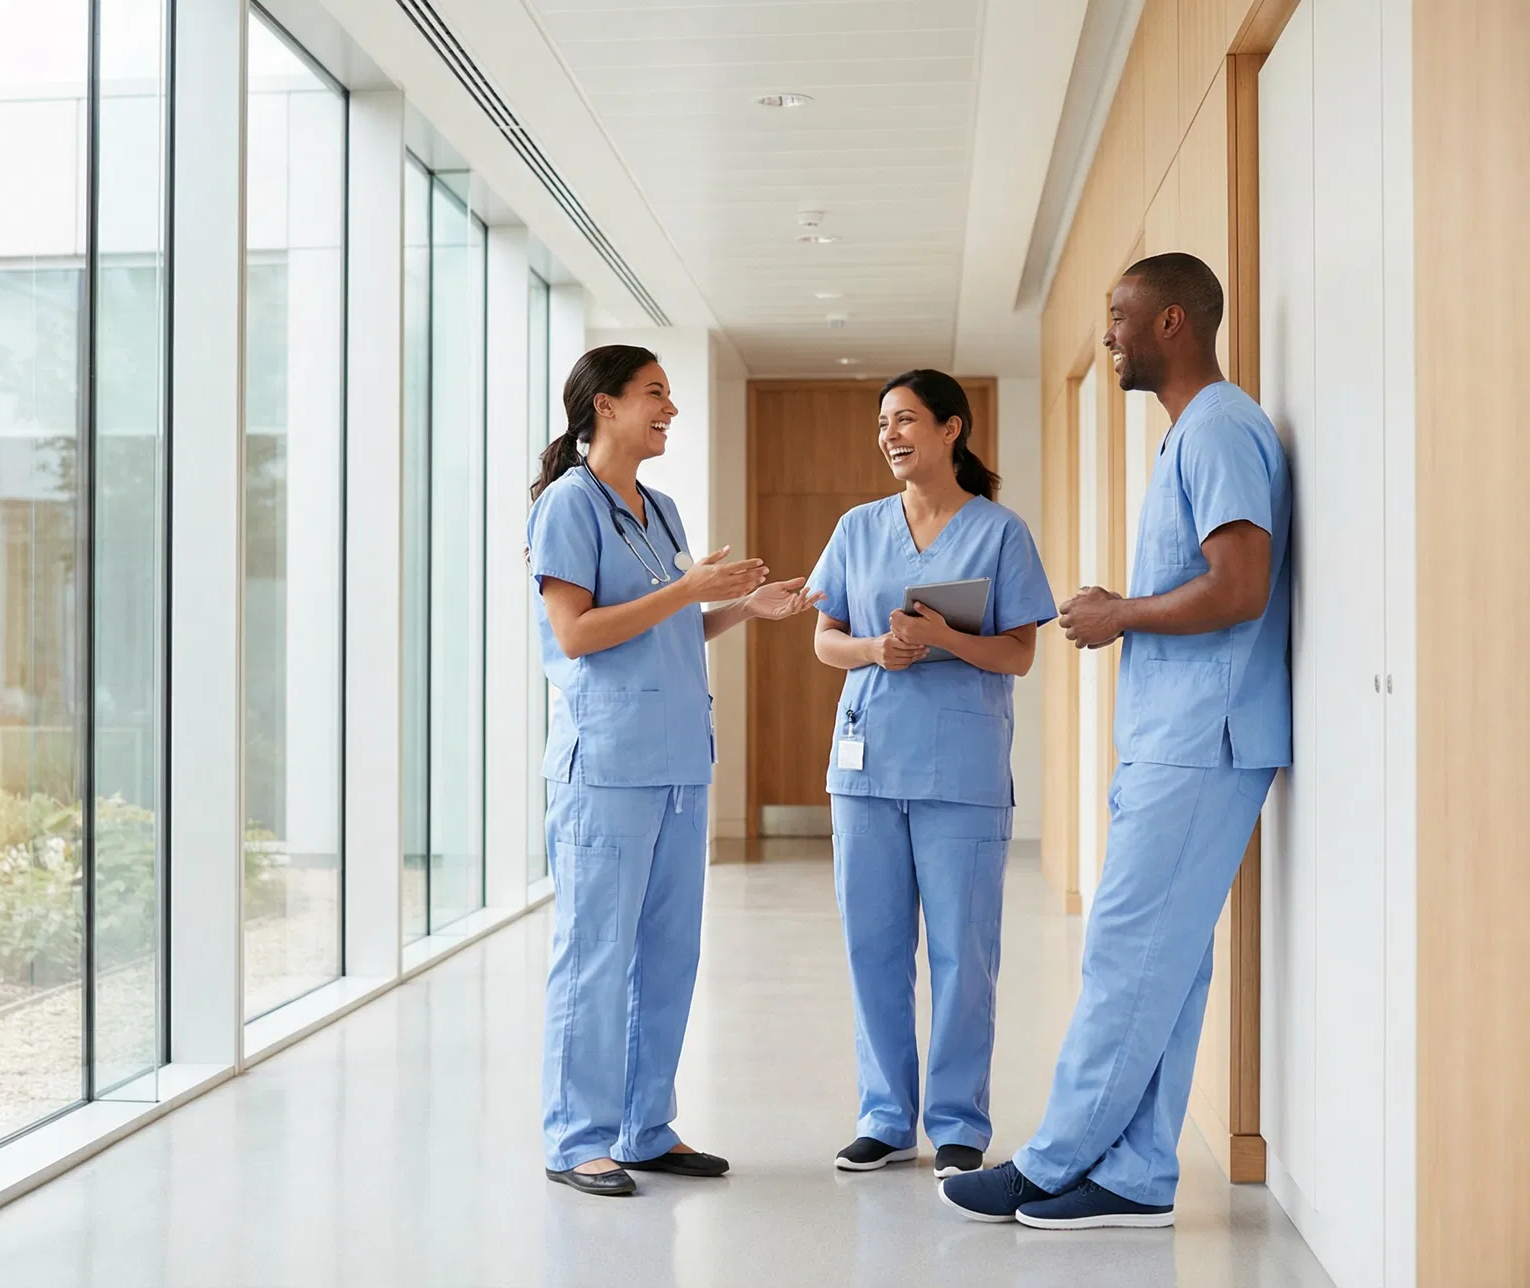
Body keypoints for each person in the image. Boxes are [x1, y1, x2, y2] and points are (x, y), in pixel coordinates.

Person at [941, 251, 1291, 1229]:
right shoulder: (1200, 432)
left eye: (1119, 314)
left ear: (1173, 321)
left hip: (1201, 738)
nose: (1109, 333)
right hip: (1184, 736)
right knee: (1166, 962)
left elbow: (1240, 585)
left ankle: (1053, 1161)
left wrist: (1119, 612)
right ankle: (1136, 1173)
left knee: (1129, 950)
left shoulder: (1220, 425)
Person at [527, 344, 823, 1197]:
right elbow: (578, 633)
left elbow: (668, 627)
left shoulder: (659, 509)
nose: (670, 409)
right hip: (608, 765)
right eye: (655, 394)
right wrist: (691, 590)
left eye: (670, 396)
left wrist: (740, 607)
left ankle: (644, 1129)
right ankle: (576, 1138)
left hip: (678, 765)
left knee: (668, 956)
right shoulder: (567, 508)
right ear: (604, 405)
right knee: (594, 954)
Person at [805, 369, 1056, 1182]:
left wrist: (943, 638)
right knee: (872, 948)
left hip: (963, 771)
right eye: (883, 423)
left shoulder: (1001, 532)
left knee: (962, 953)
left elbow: (1018, 651)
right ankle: (883, 1117)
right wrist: (877, 651)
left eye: (906, 420)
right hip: (867, 763)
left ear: (953, 429)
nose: (890, 435)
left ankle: (955, 1122)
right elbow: (825, 640)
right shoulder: (856, 527)